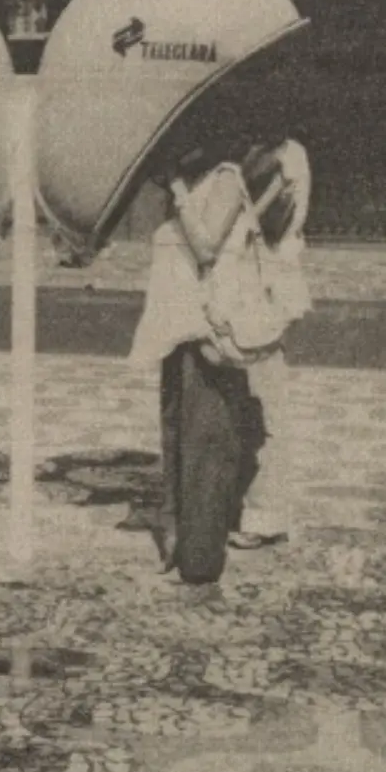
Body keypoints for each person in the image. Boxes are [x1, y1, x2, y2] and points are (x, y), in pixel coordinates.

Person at [127, 143, 270, 585]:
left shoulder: (225, 177)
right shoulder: (194, 183)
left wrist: (176, 187)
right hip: (177, 330)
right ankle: (178, 538)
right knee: (176, 437)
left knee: (206, 442)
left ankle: (201, 556)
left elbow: (206, 246)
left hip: (207, 330)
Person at [234, 127, 313, 549]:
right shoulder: (279, 151)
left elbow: (267, 221)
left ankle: (265, 514)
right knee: (256, 403)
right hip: (267, 279)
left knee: (264, 405)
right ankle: (257, 506)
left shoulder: (283, 157)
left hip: (267, 284)